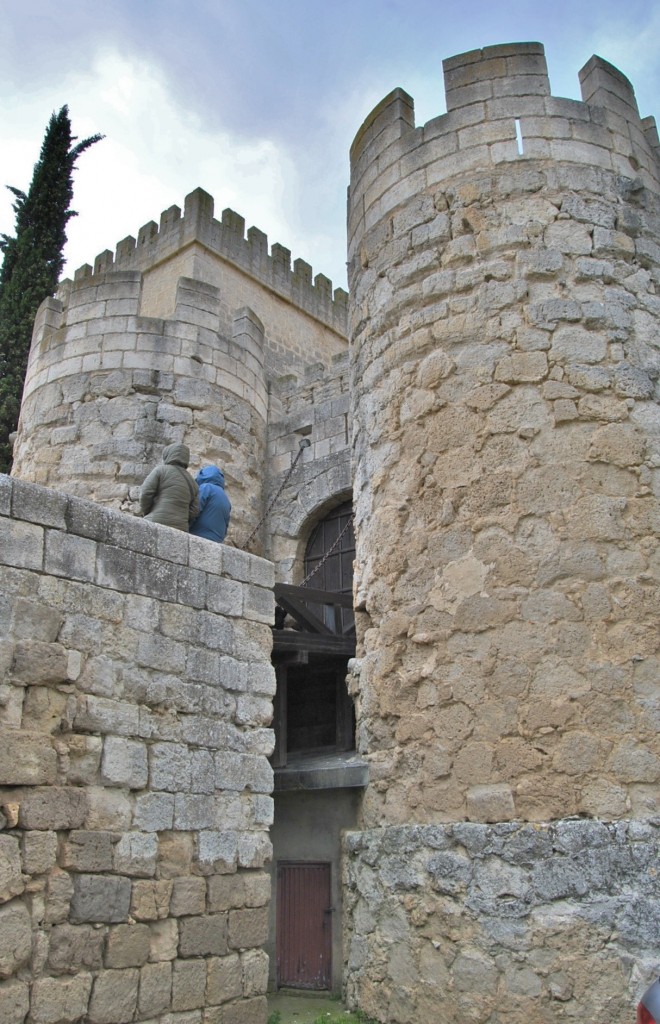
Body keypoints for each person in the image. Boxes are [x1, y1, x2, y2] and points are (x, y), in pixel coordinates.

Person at [140, 443, 199, 531]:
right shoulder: (193, 483)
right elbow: (194, 511)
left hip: (156, 520)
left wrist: (147, 511)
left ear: (168, 454)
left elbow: (146, 493)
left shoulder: (160, 470)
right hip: (181, 528)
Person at [189, 466, 231, 542]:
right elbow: (226, 524)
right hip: (217, 540)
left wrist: (186, 526)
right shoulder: (226, 498)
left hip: (199, 534)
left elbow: (196, 509)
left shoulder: (205, 487)